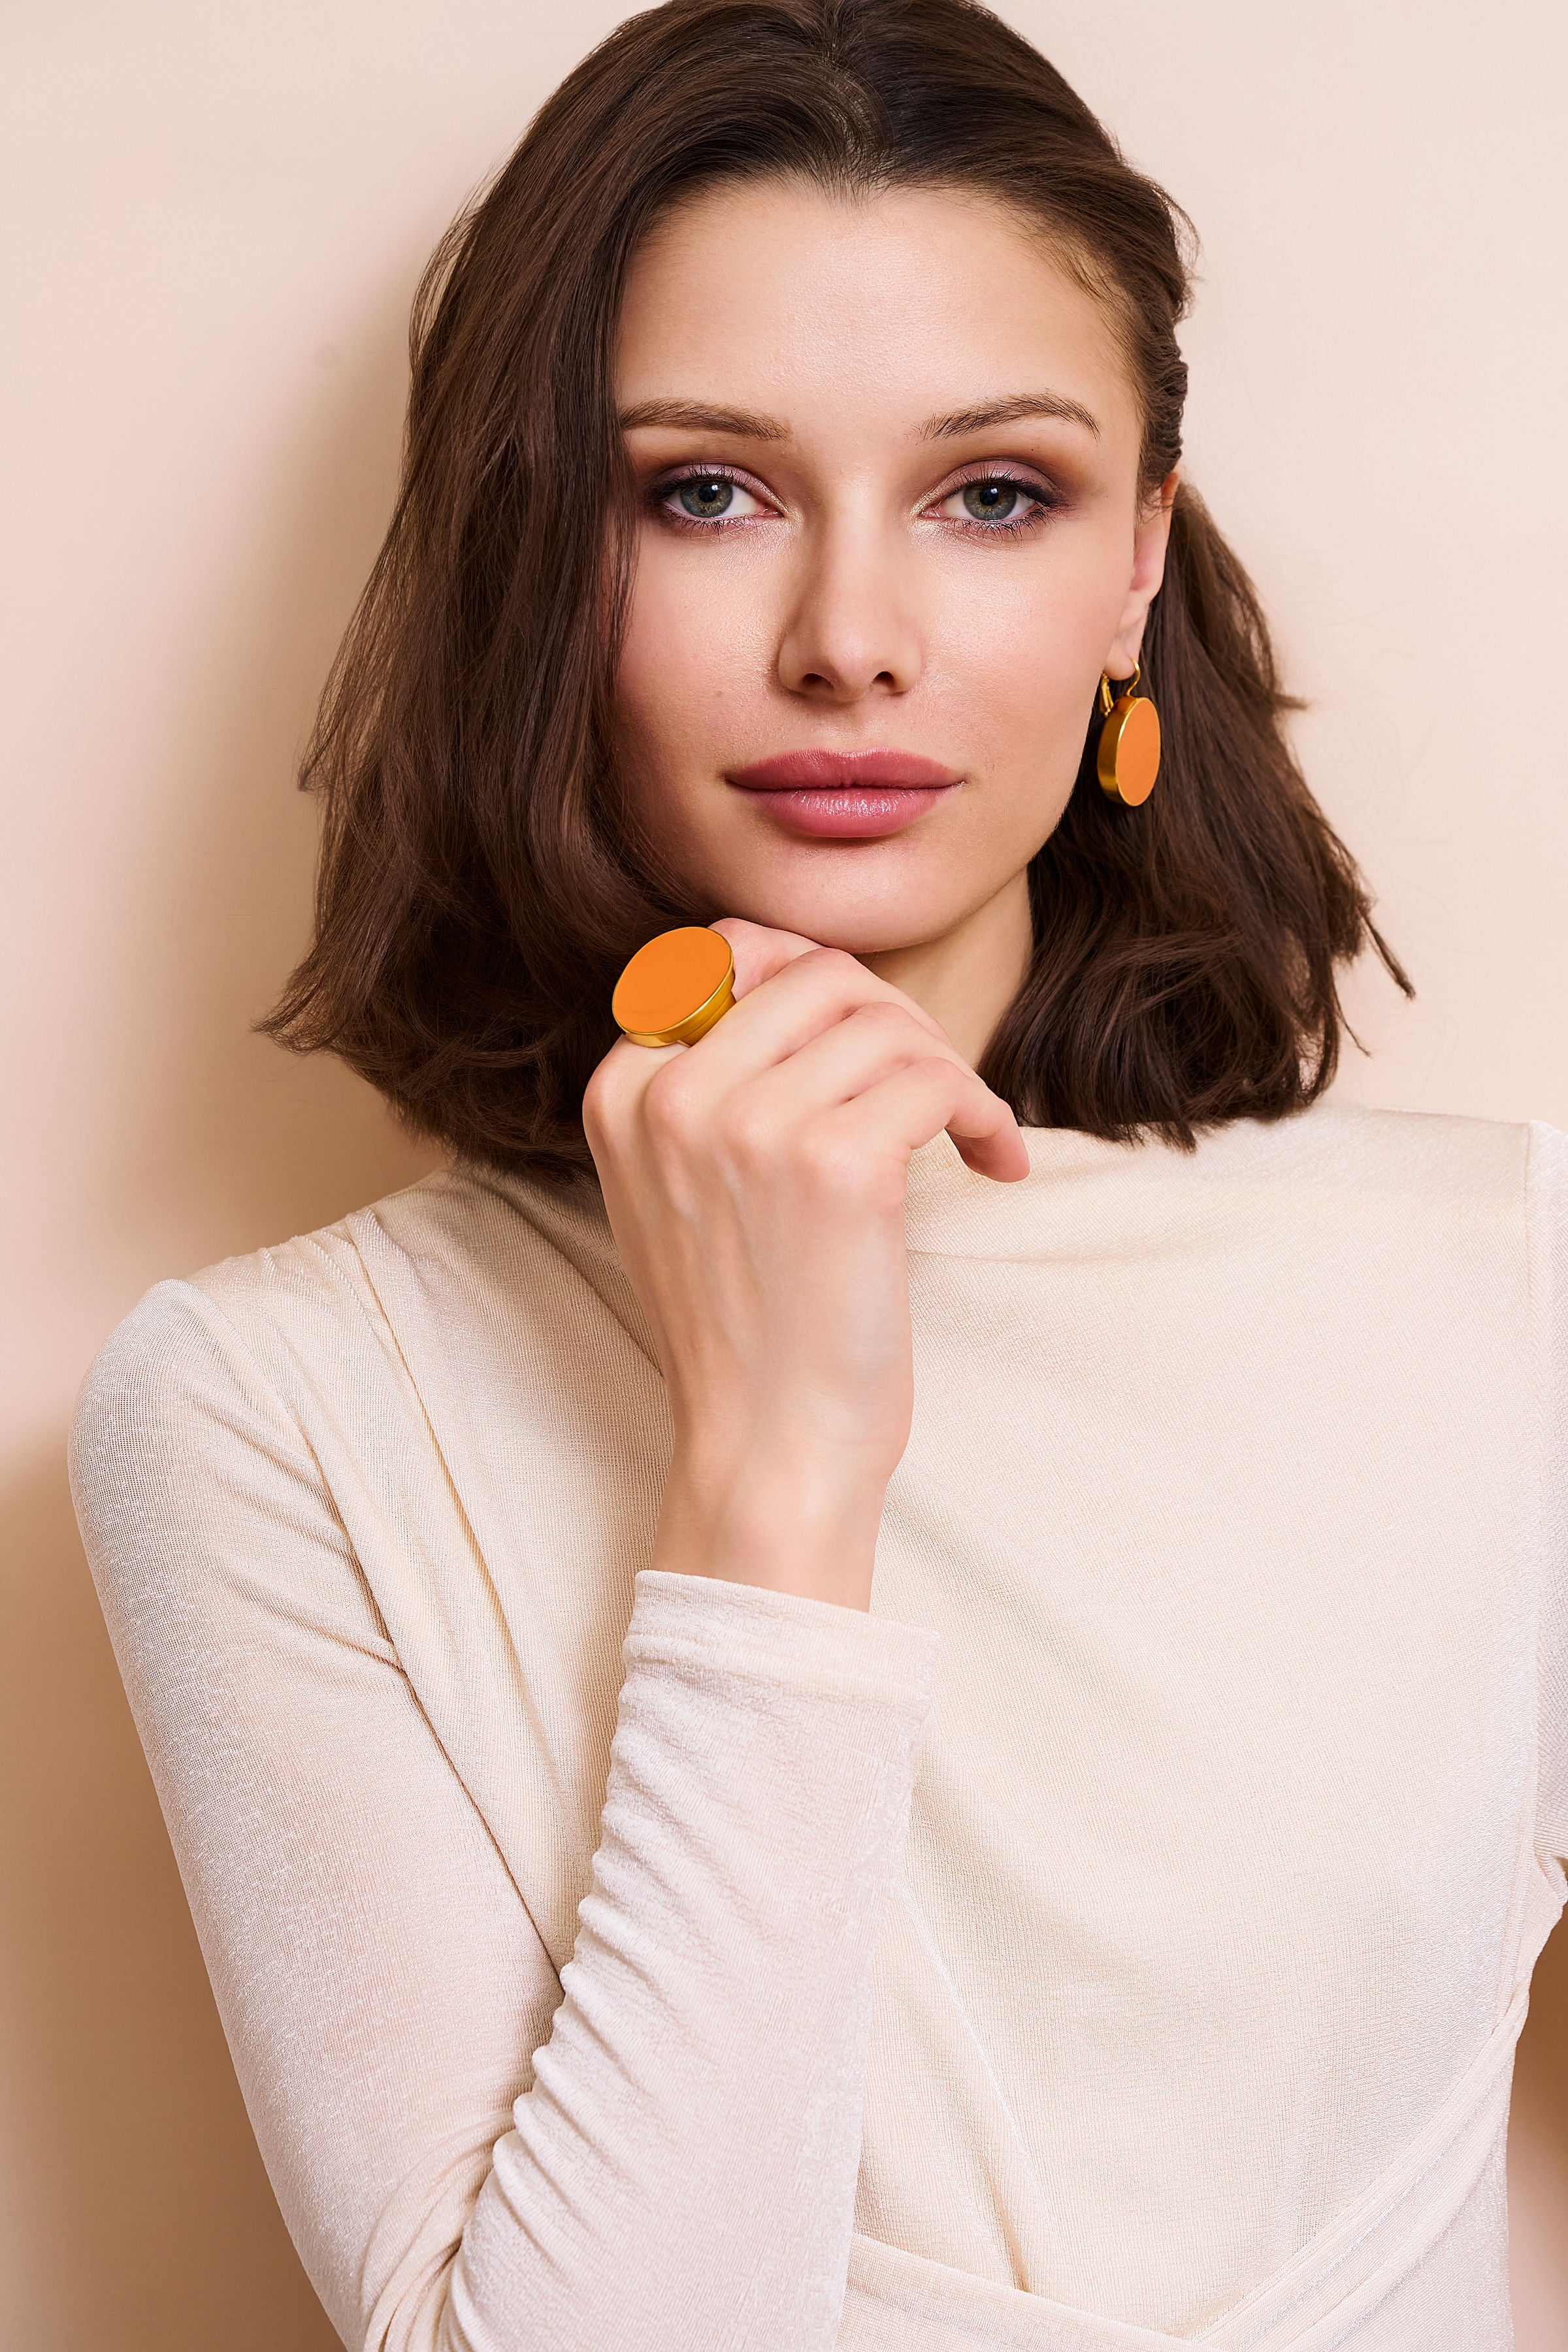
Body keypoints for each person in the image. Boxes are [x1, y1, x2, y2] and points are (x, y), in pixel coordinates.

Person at [69, 2, 1566, 2346]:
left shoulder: (1502, 1293)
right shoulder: (271, 1416)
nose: (850, 642)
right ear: (536, 562)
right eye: (703, 491)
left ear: (1138, 572)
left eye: (996, 495)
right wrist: (776, 1469)